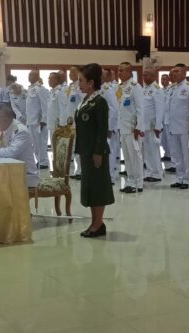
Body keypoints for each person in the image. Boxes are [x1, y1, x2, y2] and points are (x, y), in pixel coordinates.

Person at [75, 63, 115, 238]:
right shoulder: (86, 100)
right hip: (86, 150)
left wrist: (98, 152)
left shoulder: (100, 102)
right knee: (90, 187)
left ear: (91, 83)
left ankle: (98, 224)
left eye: (81, 80)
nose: (79, 84)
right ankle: (95, 222)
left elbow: (102, 130)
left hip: (96, 152)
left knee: (98, 188)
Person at [168, 64, 189, 189]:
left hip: (186, 128)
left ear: (184, 73)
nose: (174, 74)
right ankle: (179, 178)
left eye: (177, 71)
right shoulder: (172, 88)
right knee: (177, 155)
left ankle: (187, 180)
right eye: (173, 71)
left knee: (187, 155)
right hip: (174, 127)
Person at [117, 62, 145, 194]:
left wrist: (139, 127)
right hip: (123, 127)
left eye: (122, 70)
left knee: (135, 156)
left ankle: (138, 183)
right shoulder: (121, 87)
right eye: (118, 70)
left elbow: (141, 109)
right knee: (127, 157)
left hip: (133, 128)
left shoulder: (135, 87)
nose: (119, 73)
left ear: (129, 72)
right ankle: (130, 181)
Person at [141, 67, 165, 183]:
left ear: (153, 76)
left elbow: (160, 110)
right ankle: (149, 172)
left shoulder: (157, 90)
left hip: (152, 126)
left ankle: (157, 173)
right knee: (147, 150)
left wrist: (158, 126)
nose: (144, 77)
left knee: (154, 150)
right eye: (143, 75)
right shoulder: (144, 89)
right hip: (144, 125)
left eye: (146, 75)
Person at [26, 70, 49, 170]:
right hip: (31, 121)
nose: (29, 76)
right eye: (29, 75)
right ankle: (39, 161)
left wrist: (43, 119)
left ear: (37, 77)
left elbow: (44, 105)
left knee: (41, 143)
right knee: (35, 144)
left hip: (38, 121)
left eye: (31, 75)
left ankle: (44, 162)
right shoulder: (30, 89)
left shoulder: (40, 89)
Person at [101, 69, 120, 182]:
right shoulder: (97, 90)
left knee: (110, 151)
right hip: (100, 126)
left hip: (108, 127)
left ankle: (110, 175)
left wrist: (110, 127)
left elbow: (113, 109)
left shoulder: (108, 90)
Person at [67, 66, 85, 179]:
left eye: (73, 72)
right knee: (75, 146)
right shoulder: (72, 86)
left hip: (79, 121)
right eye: (70, 72)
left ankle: (82, 170)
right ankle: (78, 170)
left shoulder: (81, 86)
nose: (70, 74)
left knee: (80, 145)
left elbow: (83, 102)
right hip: (72, 121)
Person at [47, 72, 65, 154]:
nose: (49, 80)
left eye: (50, 79)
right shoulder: (52, 92)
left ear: (56, 80)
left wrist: (61, 125)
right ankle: (55, 162)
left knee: (59, 150)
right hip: (52, 125)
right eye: (48, 78)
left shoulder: (60, 92)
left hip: (58, 126)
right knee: (54, 149)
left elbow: (63, 109)